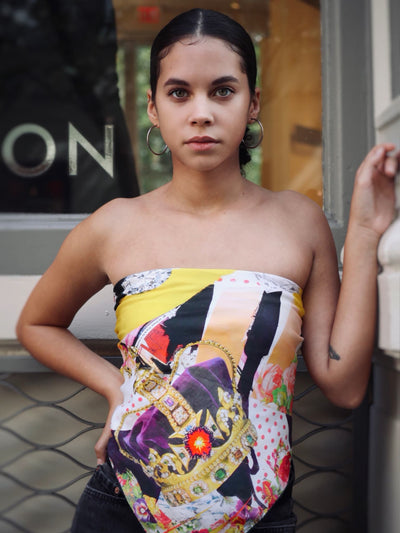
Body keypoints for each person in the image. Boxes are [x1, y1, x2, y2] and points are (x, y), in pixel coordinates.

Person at [16, 8, 398, 533]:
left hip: (259, 514)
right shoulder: (114, 226)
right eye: (179, 93)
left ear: (253, 102)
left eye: (222, 91)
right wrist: (115, 388)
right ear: (152, 106)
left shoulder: (298, 221)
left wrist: (364, 231)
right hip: (121, 509)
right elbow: (37, 323)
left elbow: (344, 384)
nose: (201, 113)